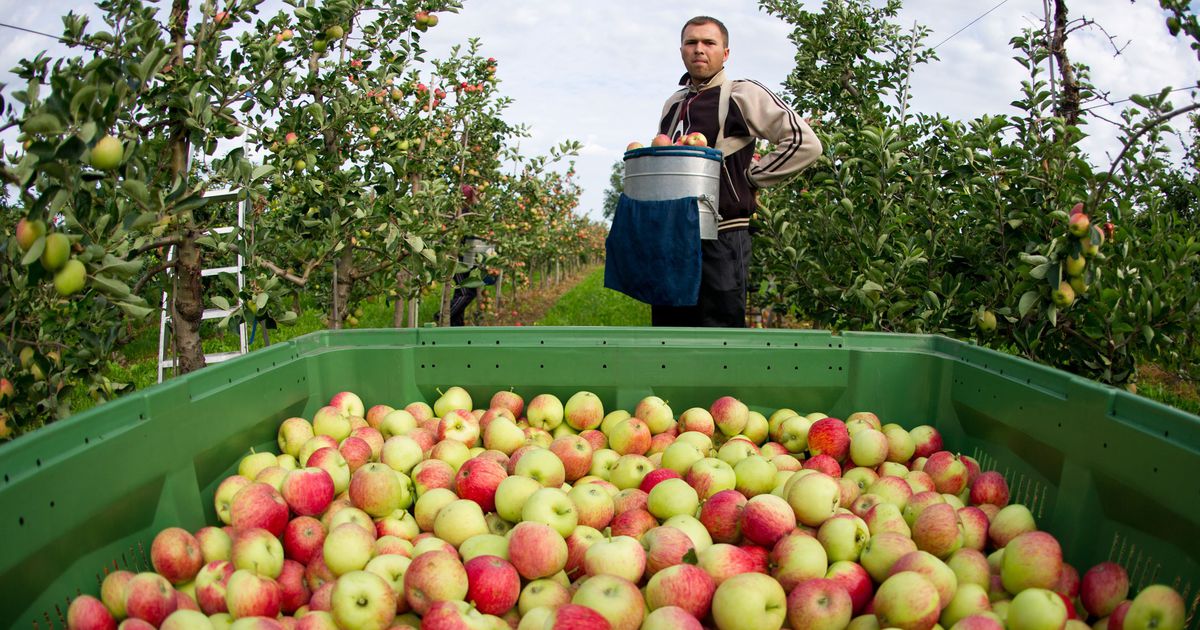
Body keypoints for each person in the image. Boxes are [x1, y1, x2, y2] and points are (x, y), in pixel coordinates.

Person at [651, 15, 822, 328]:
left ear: (725, 53)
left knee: (719, 340)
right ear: (681, 51)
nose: (699, 49)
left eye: (708, 43)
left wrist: (753, 176)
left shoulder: (741, 94)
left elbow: (804, 143)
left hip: (723, 236)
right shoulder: (673, 105)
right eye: (691, 43)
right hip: (674, 239)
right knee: (669, 336)